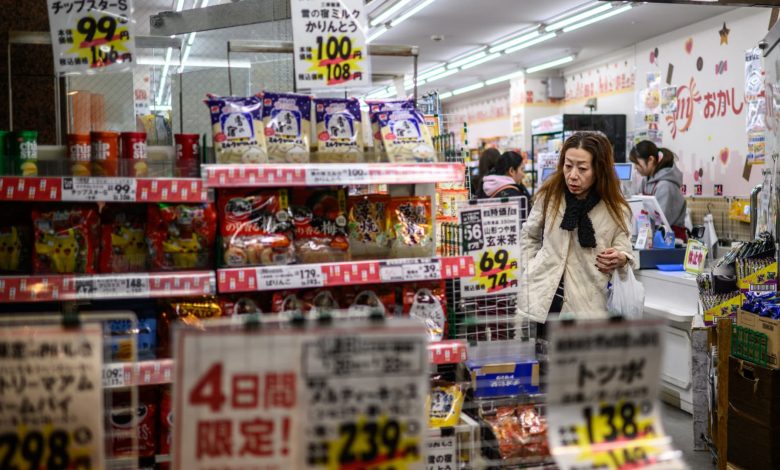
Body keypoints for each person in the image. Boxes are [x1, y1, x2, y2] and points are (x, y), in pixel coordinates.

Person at [517, 131, 637, 324]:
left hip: (588, 307)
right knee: (541, 354)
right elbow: (529, 235)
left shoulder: (615, 208)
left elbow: (625, 249)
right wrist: (529, 267)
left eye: (582, 169)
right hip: (543, 303)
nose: (572, 175)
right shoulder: (550, 197)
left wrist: (621, 258)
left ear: (599, 169)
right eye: (568, 166)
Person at [629, 140, 687, 240]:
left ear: (651, 160)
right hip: (655, 237)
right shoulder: (645, 181)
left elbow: (662, 220)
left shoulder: (666, 185)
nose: (635, 167)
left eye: (637, 163)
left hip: (671, 240)